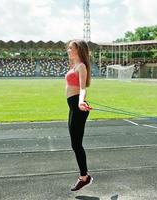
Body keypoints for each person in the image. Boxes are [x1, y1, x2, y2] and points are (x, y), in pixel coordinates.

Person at [65, 39, 93, 191]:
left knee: (76, 144)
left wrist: (81, 102)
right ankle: (84, 176)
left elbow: (82, 88)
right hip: (73, 107)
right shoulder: (74, 66)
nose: (68, 50)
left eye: (71, 48)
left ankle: (84, 177)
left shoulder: (81, 66)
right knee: (75, 144)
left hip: (78, 106)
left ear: (78, 50)